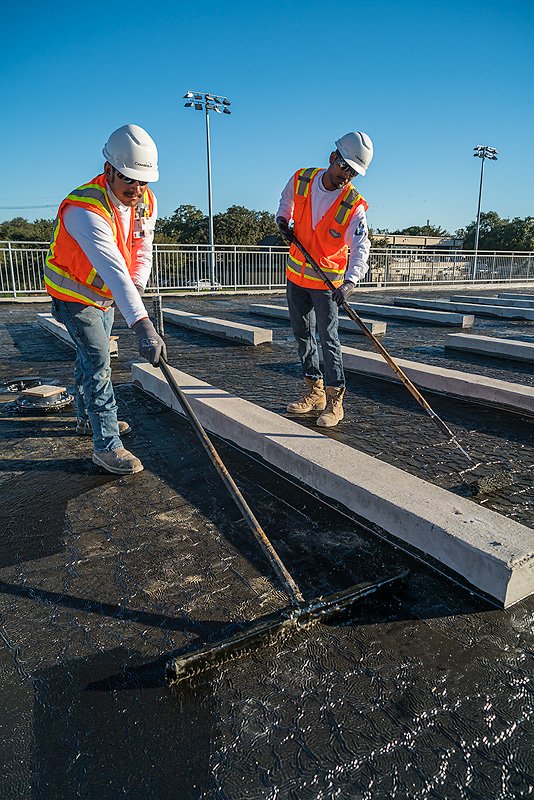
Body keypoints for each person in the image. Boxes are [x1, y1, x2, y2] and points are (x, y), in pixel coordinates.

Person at [44, 123, 166, 475]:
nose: (137, 190)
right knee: (99, 362)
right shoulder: (85, 209)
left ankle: (86, 418)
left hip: (107, 297)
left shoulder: (145, 201)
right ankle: (107, 445)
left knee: (89, 357)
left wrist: (137, 293)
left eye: (143, 182)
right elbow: (113, 269)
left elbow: (143, 248)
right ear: (109, 170)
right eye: (129, 180)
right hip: (73, 295)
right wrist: (142, 325)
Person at [276, 131, 373, 428]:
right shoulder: (302, 178)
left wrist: (351, 282)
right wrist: (282, 219)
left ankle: (335, 401)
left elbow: (361, 247)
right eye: (344, 167)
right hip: (296, 275)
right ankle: (314, 392)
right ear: (333, 158)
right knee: (303, 336)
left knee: (328, 340)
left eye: (354, 173)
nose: (347, 176)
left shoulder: (353, 205)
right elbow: (286, 200)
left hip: (327, 285)